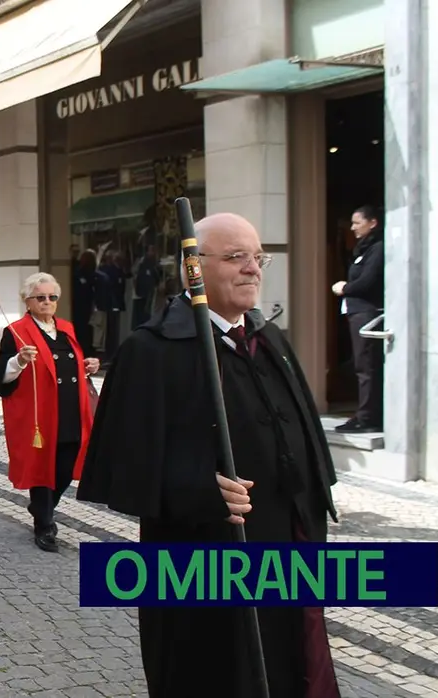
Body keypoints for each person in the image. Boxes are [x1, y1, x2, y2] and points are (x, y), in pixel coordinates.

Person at [77, 213, 340, 698]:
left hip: (287, 553)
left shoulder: (270, 340)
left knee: (291, 669)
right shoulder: (151, 351)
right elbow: (121, 470)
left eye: (258, 257)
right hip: (200, 567)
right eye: (236, 257)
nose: (252, 269)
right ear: (192, 268)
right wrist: (197, 487)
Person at [0, 273, 97, 552]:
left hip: (71, 409)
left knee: (65, 465)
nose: (47, 302)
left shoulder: (66, 328)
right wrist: (19, 360)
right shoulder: (16, 332)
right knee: (42, 467)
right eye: (41, 297)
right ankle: (45, 524)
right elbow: (0, 373)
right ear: (28, 301)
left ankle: (40, 506)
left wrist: (87, 365)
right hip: (40, 416)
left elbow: (70, 362)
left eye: (52, 297)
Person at [331, 205, 384, 433]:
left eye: (357, 222)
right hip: (356, 313)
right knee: (361, 366)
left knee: (366, 367)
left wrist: (345, 288)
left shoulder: (377, 248)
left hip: (366, 313)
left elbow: (368, 281)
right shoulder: (362, 249)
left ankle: (367, 418)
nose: (352, 227)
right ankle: (364, 414)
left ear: (372, 223)